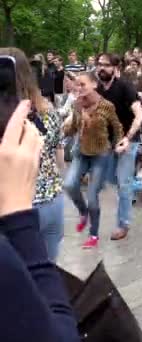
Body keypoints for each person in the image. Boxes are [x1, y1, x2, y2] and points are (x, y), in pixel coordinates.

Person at [0, 99, 80, 342]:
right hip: (30, 205)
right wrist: (18, 215)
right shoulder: (45, 113)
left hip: (41, 200)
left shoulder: (48, 113)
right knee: (44, 273)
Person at [0, 47, 65, 262]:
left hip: (16, 208)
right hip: (52, 202)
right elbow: (59, 154)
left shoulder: (5, 120)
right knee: (47, 270)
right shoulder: (48, 109)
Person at [63, 73, 124, 249]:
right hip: (81, 152)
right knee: (69, 185)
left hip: (100, 154)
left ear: (94, 85)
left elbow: (117, 127)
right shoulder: (77, 104)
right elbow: (73, 127)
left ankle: (94, 235)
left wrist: (119, 144)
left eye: (82, 85)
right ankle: (83, 212)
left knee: (92, 197)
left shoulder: (106, 106)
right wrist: (64, 130)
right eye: (77, 85)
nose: (79, 88)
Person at [95, 53, 142, 240]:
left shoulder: (125, 87)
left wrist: (128, 138)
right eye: (99, 64)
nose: (101, 68)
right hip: (107, 143)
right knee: (111, 179)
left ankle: (123, 224)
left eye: (106, 65)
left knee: (123, 184)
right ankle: (138, 184)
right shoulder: (98, 89)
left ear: (116, 68)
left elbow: (139, 116)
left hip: (128, 141)